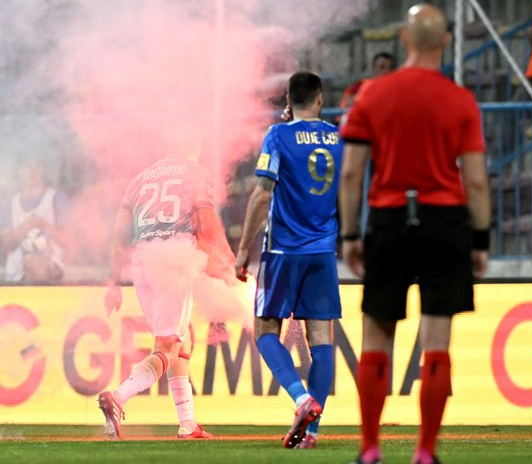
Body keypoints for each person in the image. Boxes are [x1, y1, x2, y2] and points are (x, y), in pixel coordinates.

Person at [339, 4, 490, 464]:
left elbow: (351, 174)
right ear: (445, 42)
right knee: (437, 339)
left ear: (405, 40)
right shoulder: (460, 100)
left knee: (377, 336)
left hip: (387, 220)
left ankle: (370, 449)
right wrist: (480, 238)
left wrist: (349, 235)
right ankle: (425, 451)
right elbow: (478, 179)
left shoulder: (371, 95)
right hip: (445, 223)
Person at [98, 133, 235, 440]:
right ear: (191, 144)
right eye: (199, 143)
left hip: (142, 261)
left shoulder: (139, 180)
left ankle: (188, 424)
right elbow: (207, 224)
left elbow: (118, 234)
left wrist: (113, 282)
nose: (201, 148)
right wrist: (228, 265)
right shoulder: (196, 174)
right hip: (173, 259)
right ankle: (118, 397)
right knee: (168, 347)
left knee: (182, 340)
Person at [234, 71, 342, 450]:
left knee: (265, 331)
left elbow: (262, 194)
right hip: (323, 250)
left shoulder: (279, 135)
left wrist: (244, 248)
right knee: (321, 339)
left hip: (283, 250)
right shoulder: (337, 137)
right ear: (320, 97)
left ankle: (301, 399)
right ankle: (311, 434)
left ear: (287, 101)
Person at [0, 158, 70, 283]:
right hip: (15, 279)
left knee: (34, 262)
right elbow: (5, 246)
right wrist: (28, 226)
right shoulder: (9, 203)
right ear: (19, 171)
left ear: (44, 170)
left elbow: (68, 241)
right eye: (27, 165)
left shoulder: (57, 199)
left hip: (50, 275)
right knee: (30, 260)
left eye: (37, 165)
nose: (33, 171)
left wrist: (43, 224)